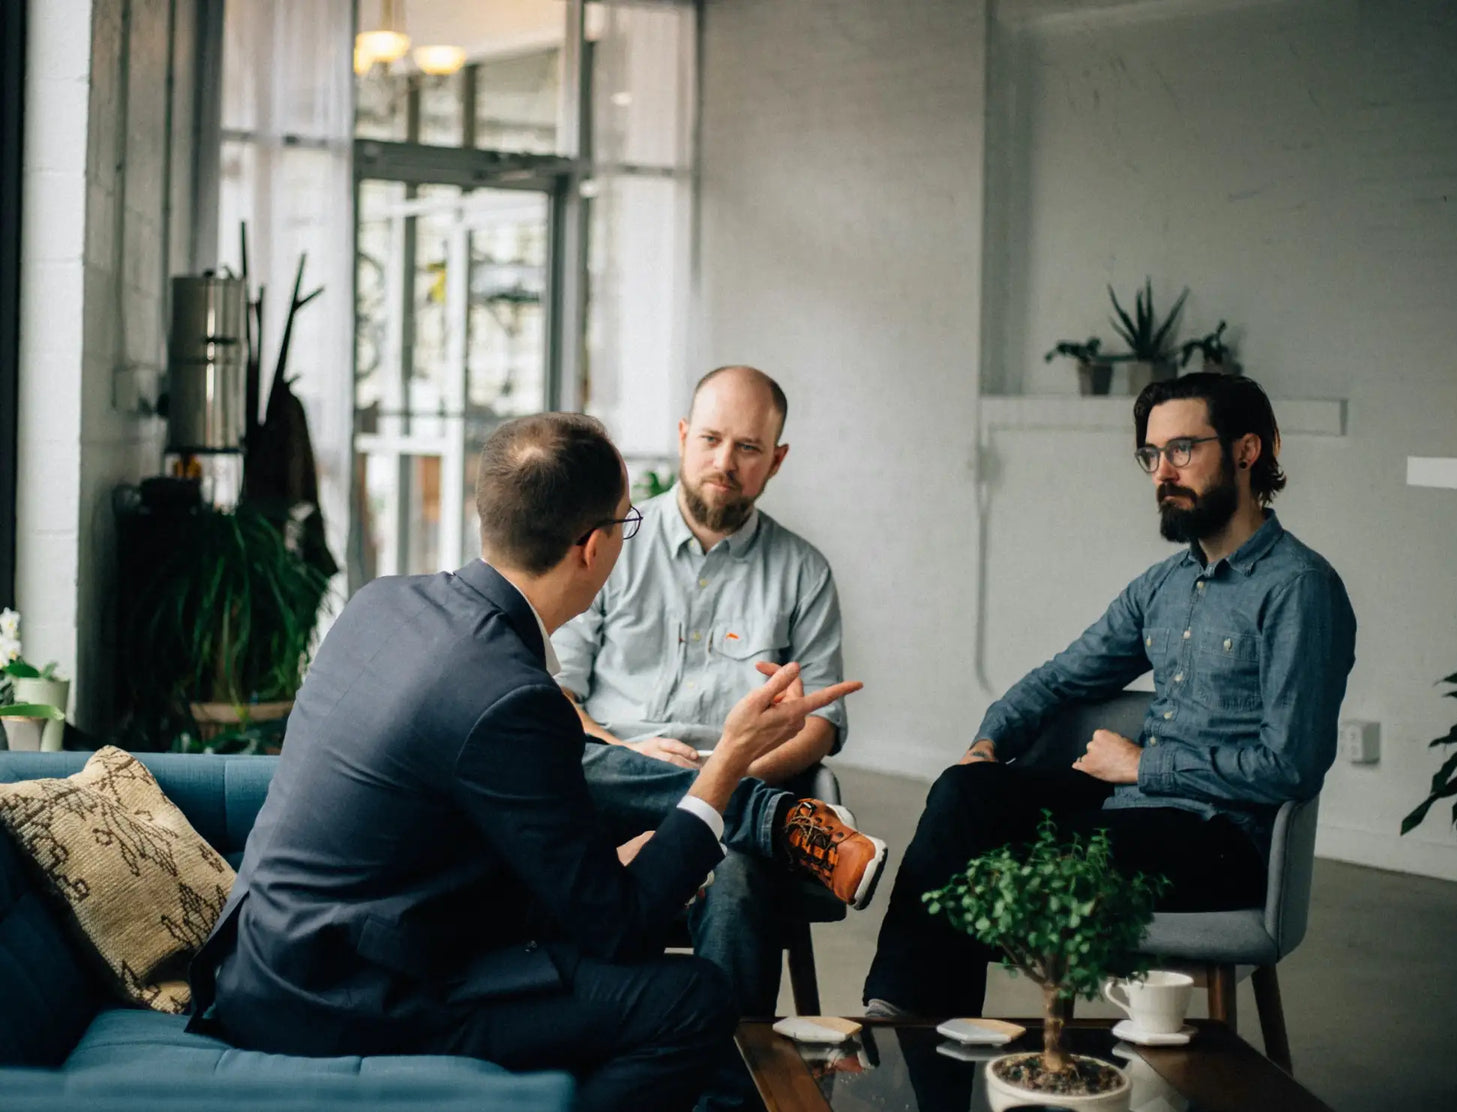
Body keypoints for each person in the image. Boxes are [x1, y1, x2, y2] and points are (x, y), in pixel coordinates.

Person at [187, 412, 883, 1112]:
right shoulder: (512, 696)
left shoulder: (383, 600)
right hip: (342, 996)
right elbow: (621, 928)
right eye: (625, 523)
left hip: (272, 955)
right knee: (692, 1000)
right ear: (591, 547)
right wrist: (728, 758)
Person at [863, 373, 1357, 1019]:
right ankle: (898, 1021)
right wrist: (988, 744)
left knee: (992, 858)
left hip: (1223, 839)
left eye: (1182, 449)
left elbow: (1292, 765)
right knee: (963, 793)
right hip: (1133, 809)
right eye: (1151, 456)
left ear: (1247, 450)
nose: (1161, 472)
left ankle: (924, 1042)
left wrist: (1141, 765)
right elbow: (1063, 676)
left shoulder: (1300, 588)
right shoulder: (1164, 586)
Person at [552, 365, 879, 1031]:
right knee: (554, 757)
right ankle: (781, 822)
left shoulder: (803, 571)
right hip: (613, 776)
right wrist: (632, 754)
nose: (724, 462)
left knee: (737, 882)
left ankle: (731, 1084)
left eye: (749, 448)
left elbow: (820, 726)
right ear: (682, 437)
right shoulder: (610, 543)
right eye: (710, 439)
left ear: (777, 460)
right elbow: (557, 697)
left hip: (736, 797)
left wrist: (726, 776)